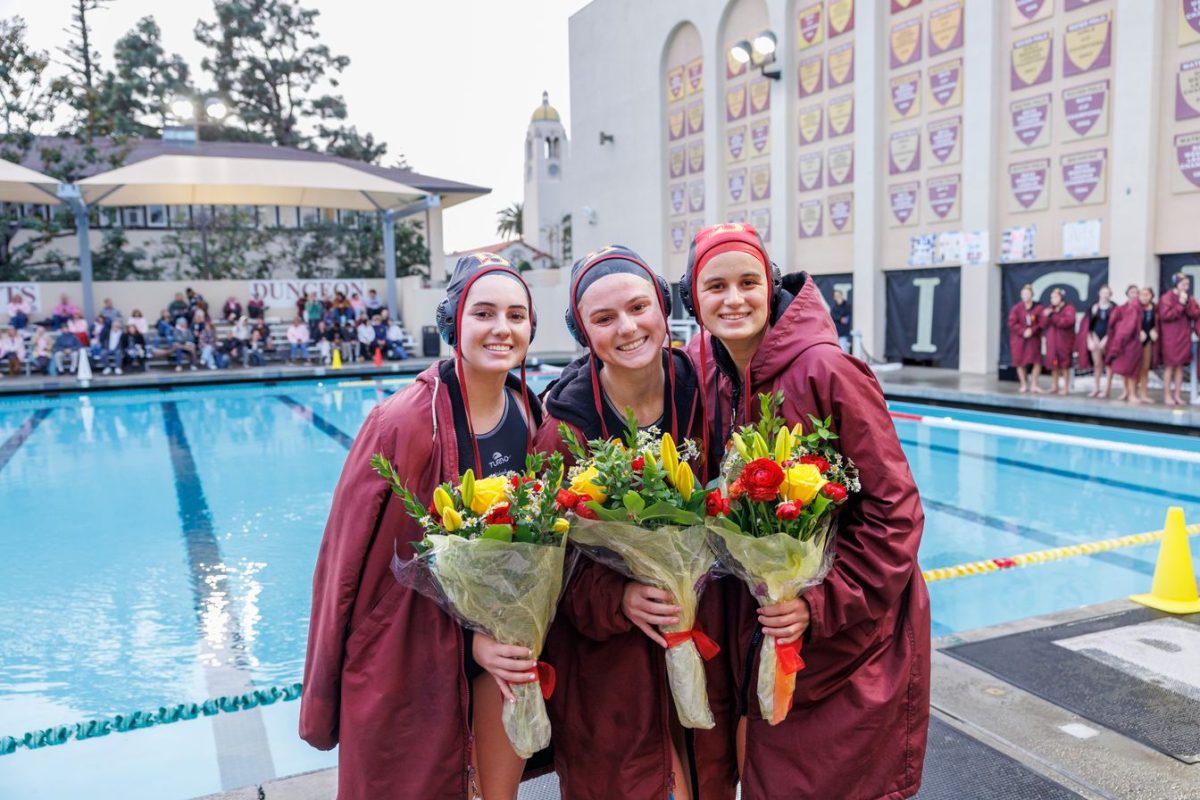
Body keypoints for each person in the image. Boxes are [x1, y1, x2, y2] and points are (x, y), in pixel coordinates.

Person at [681, 223, 929, 799]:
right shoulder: (710, 374)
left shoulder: (828, 371)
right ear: (695, 299)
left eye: (748, 281)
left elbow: (895, 512)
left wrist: (820, 602)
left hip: (842, 640)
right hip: (758, 632)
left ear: (770, 284)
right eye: (715, 286)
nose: (734, 298)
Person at [301, 254, 544, 800]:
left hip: (503, 654)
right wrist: (467, 640)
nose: (501, 329)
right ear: (453, 322)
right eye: (483, 313)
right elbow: (349, 565)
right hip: (416, 654)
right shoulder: (402, 422)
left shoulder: (531, 415)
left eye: (516, 315)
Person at [532, 246, 734, 800]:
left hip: (705, 634)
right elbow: (542, 569)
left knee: (710, 774)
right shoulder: (563, 431)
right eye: (604, 318)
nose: (628, 328)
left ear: (663, 309)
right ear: (584, 333)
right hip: (610, 669)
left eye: (639, 307)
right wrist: (616, 597)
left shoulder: (710, 394)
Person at [1158, 273, 1200, 406]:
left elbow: (1195, 314)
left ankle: (1177, 395)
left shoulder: (1189, 298)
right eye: (1183, 284)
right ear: (1176, 284)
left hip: (1184, 336)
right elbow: (1166, 316)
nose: (1186, 287)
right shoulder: (1166, 298)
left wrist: (1187, 303)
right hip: (1171, 337)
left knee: (1180, 367)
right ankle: (1167, 395)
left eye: (1187, 284)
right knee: (1170, 366)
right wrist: (1181, 304)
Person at [1078, 286, 1114, 398]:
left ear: (1110, 295)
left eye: (1107, 293)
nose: (1105, 295)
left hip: (1108, 338)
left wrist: (1107, 338)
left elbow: (1114, 326)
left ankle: (1107, 389)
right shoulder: (1094, 308)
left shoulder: (1113, 308)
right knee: (1097, 364)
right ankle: (1096, 388)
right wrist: (1090, 339)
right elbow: (1088, 326)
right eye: (1103, 292)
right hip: (1095, 337)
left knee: (1109, 364)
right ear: (1099, 294)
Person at [1006, 285, 1043, 393]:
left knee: (1037, 361)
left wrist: (1032, 330)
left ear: (1032, 295)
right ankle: (1023, 384)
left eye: (1027, 294)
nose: (1025, 296)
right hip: (1019, 339)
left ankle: (1034, 384)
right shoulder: (1016, 308)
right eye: (1023, 294)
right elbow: (1012, 323)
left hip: (1033, 339)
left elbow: (1042, 322)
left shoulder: (1038, 308)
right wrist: (1023, 331)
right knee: (1019, 361)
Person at [1041, 288, 1076, 396]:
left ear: (1061, 298)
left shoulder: (1069, 308)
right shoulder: (1050, 309)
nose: (1053, 299)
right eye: (1051, 297)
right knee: (1053, 364)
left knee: (1065, 364)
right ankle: (1054, 386)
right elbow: (1043, 324)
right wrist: (1046, 317)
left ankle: (1066, 387)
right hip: (1052, 342)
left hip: (1064, 342)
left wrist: (1052, 316)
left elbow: (1067, 322)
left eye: (1055, 297)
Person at [1136, 287, 1160, 404]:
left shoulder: (1154, 308)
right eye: (1142, 294)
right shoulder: (1135, 308)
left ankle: (1143, 394)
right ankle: (1130, 392)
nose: (1145, 297)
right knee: (1133, 368)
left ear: (1151, 295)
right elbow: (1130, 324)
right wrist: (1138, 331)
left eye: (1147, 294)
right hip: (1136, 342)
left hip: (1148, 341)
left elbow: (1159, 323)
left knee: (1145, 369)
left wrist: (1155, 330)